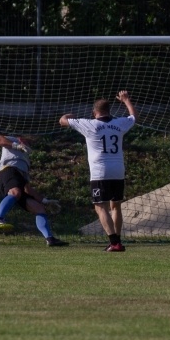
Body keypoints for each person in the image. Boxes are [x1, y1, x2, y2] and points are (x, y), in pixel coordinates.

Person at [59, 91, 137, 252]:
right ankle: (118, 240)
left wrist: (69, 115)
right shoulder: (119, 124)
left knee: (100, 206)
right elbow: (133, 117)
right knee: (115, 206)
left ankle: (114, 243)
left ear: (94, 112)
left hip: (100, 171)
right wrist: (126, 100)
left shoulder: (89, 124)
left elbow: (62, 121)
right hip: (118, 170)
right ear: (110, 111)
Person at [0, 135, 68, 247]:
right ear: (21, 138)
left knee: (39, 208)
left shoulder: (25, 160)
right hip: (8, 170)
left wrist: (46, 201)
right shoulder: (13, 141)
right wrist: (16, 145)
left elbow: (27, 188)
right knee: (15, 192)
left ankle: (50, 239)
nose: (28, 144)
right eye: (27, 141)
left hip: (18, 176)